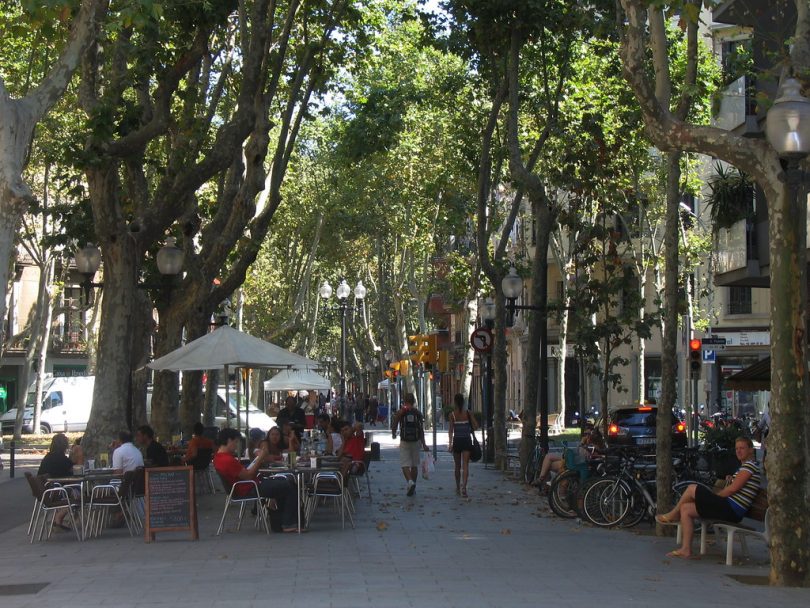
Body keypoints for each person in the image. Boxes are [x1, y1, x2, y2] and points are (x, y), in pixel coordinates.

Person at [655, 436, 761, 559]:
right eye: (737, 448)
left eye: (742, 448)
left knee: (692, 488)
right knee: (686, 508)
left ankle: (672, 515)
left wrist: (714, 498)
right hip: (729, 509)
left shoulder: (749, 466)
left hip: (731, 510)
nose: (738, 451)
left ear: (750, 450)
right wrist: (731, 479)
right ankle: (686, 549)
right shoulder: (745, 467)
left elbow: (733, 489)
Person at [213, 428, 300, 533]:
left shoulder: (219, 458)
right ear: (229, 441)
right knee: (289, 485)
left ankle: (283, 521)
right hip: (249, 487)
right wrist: (260, 458)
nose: (236, 445)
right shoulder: (227, 460)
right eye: (235, 442)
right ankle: (288, 523)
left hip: (247, 486)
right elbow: (249, 476)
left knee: (283, 484)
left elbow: (244, 473)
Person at [534, 429, 604, 490]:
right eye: (586, 434)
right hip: (573, 460)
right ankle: (545, 485)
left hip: (575, 461)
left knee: (549, 458)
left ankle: (542, 480)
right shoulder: (589, 445)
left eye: (588, 434)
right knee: (550, 464)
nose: (586, 436)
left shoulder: (593, 447)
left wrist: (583, 443)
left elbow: (581, 454)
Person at [392, 392, 429, 496]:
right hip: (416, 441)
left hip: (405, 440)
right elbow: (421, 429)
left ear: (404, 401)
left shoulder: (401, 412)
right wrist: (424, 443)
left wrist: (393, 433)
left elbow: (395, 422)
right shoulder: (417, 413)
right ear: (413, 401)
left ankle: (410, 482)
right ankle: (413, 485)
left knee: (404, 464)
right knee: (414, 465)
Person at [37, 433, 76, 530]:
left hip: (44, 492)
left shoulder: (48, 457)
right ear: (65, 445)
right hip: (55, 491)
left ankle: (58, 520)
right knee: (80, 493)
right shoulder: (61, 458)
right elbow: (74, 470)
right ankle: (58, 518)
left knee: (74, 491)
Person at [447, 393, 478, 497]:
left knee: (457, 466)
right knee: (465, 465)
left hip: (457, 441)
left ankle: (457, 487)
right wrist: (469, 427)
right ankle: (464, 487)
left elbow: (451, 431)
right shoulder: (468, 413)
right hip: (466, 441)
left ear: (455, 402)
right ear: (463, 402)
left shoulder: (452, 415)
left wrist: (450, 444)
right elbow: (476, 425)